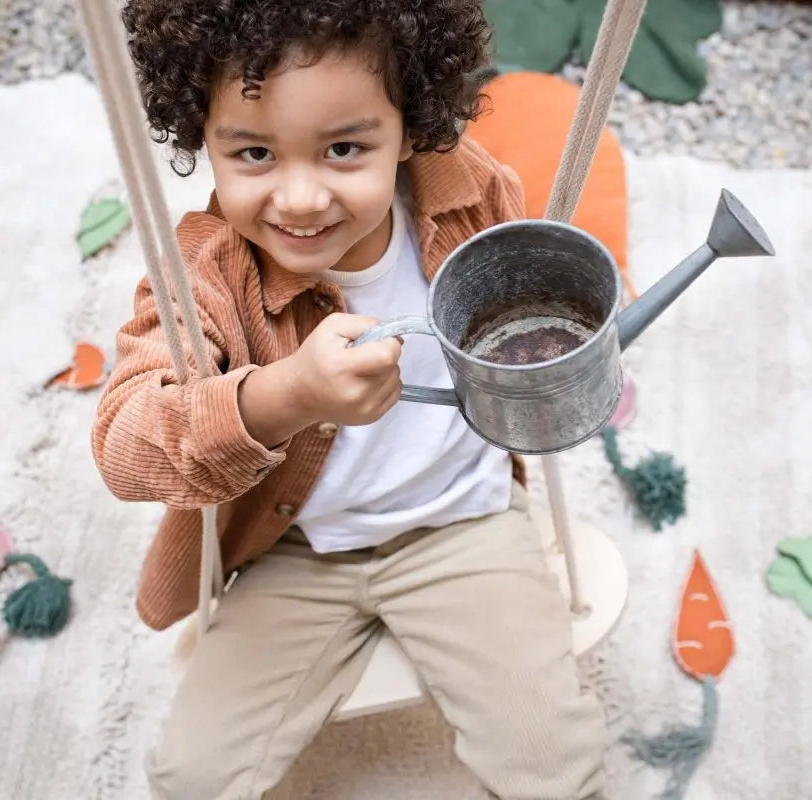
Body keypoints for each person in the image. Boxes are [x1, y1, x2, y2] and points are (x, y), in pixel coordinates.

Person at [92, 1, 608, 797]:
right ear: (204, 136)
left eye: (343, 149)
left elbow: (541, 313)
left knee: (555, 767)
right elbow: (126, 444)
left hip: (459, 523)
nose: (299, 199)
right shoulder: (205, 272)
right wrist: (283, 395)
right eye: (255, 153)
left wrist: (562, 357)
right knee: (188, 777)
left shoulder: (469, 195)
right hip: (293, 547)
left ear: (410, 125)